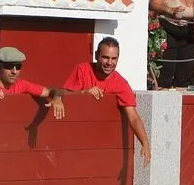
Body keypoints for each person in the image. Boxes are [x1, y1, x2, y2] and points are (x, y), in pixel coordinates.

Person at [62, 37, 152, 165]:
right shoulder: (82, 70)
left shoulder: (121, 83)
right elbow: (62, 95)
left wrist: (145, 143)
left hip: (99, 143)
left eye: (114, 58)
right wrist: (83, 93)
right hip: (71, 137)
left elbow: (133, 117)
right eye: (105, 57)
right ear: (96, 56)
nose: (109, 62)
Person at [0, 46, 65, 119]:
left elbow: (53, 90)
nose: (14, 71)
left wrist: (57, 98)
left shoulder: (22, 84)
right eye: (9, 66)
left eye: (18, 66)